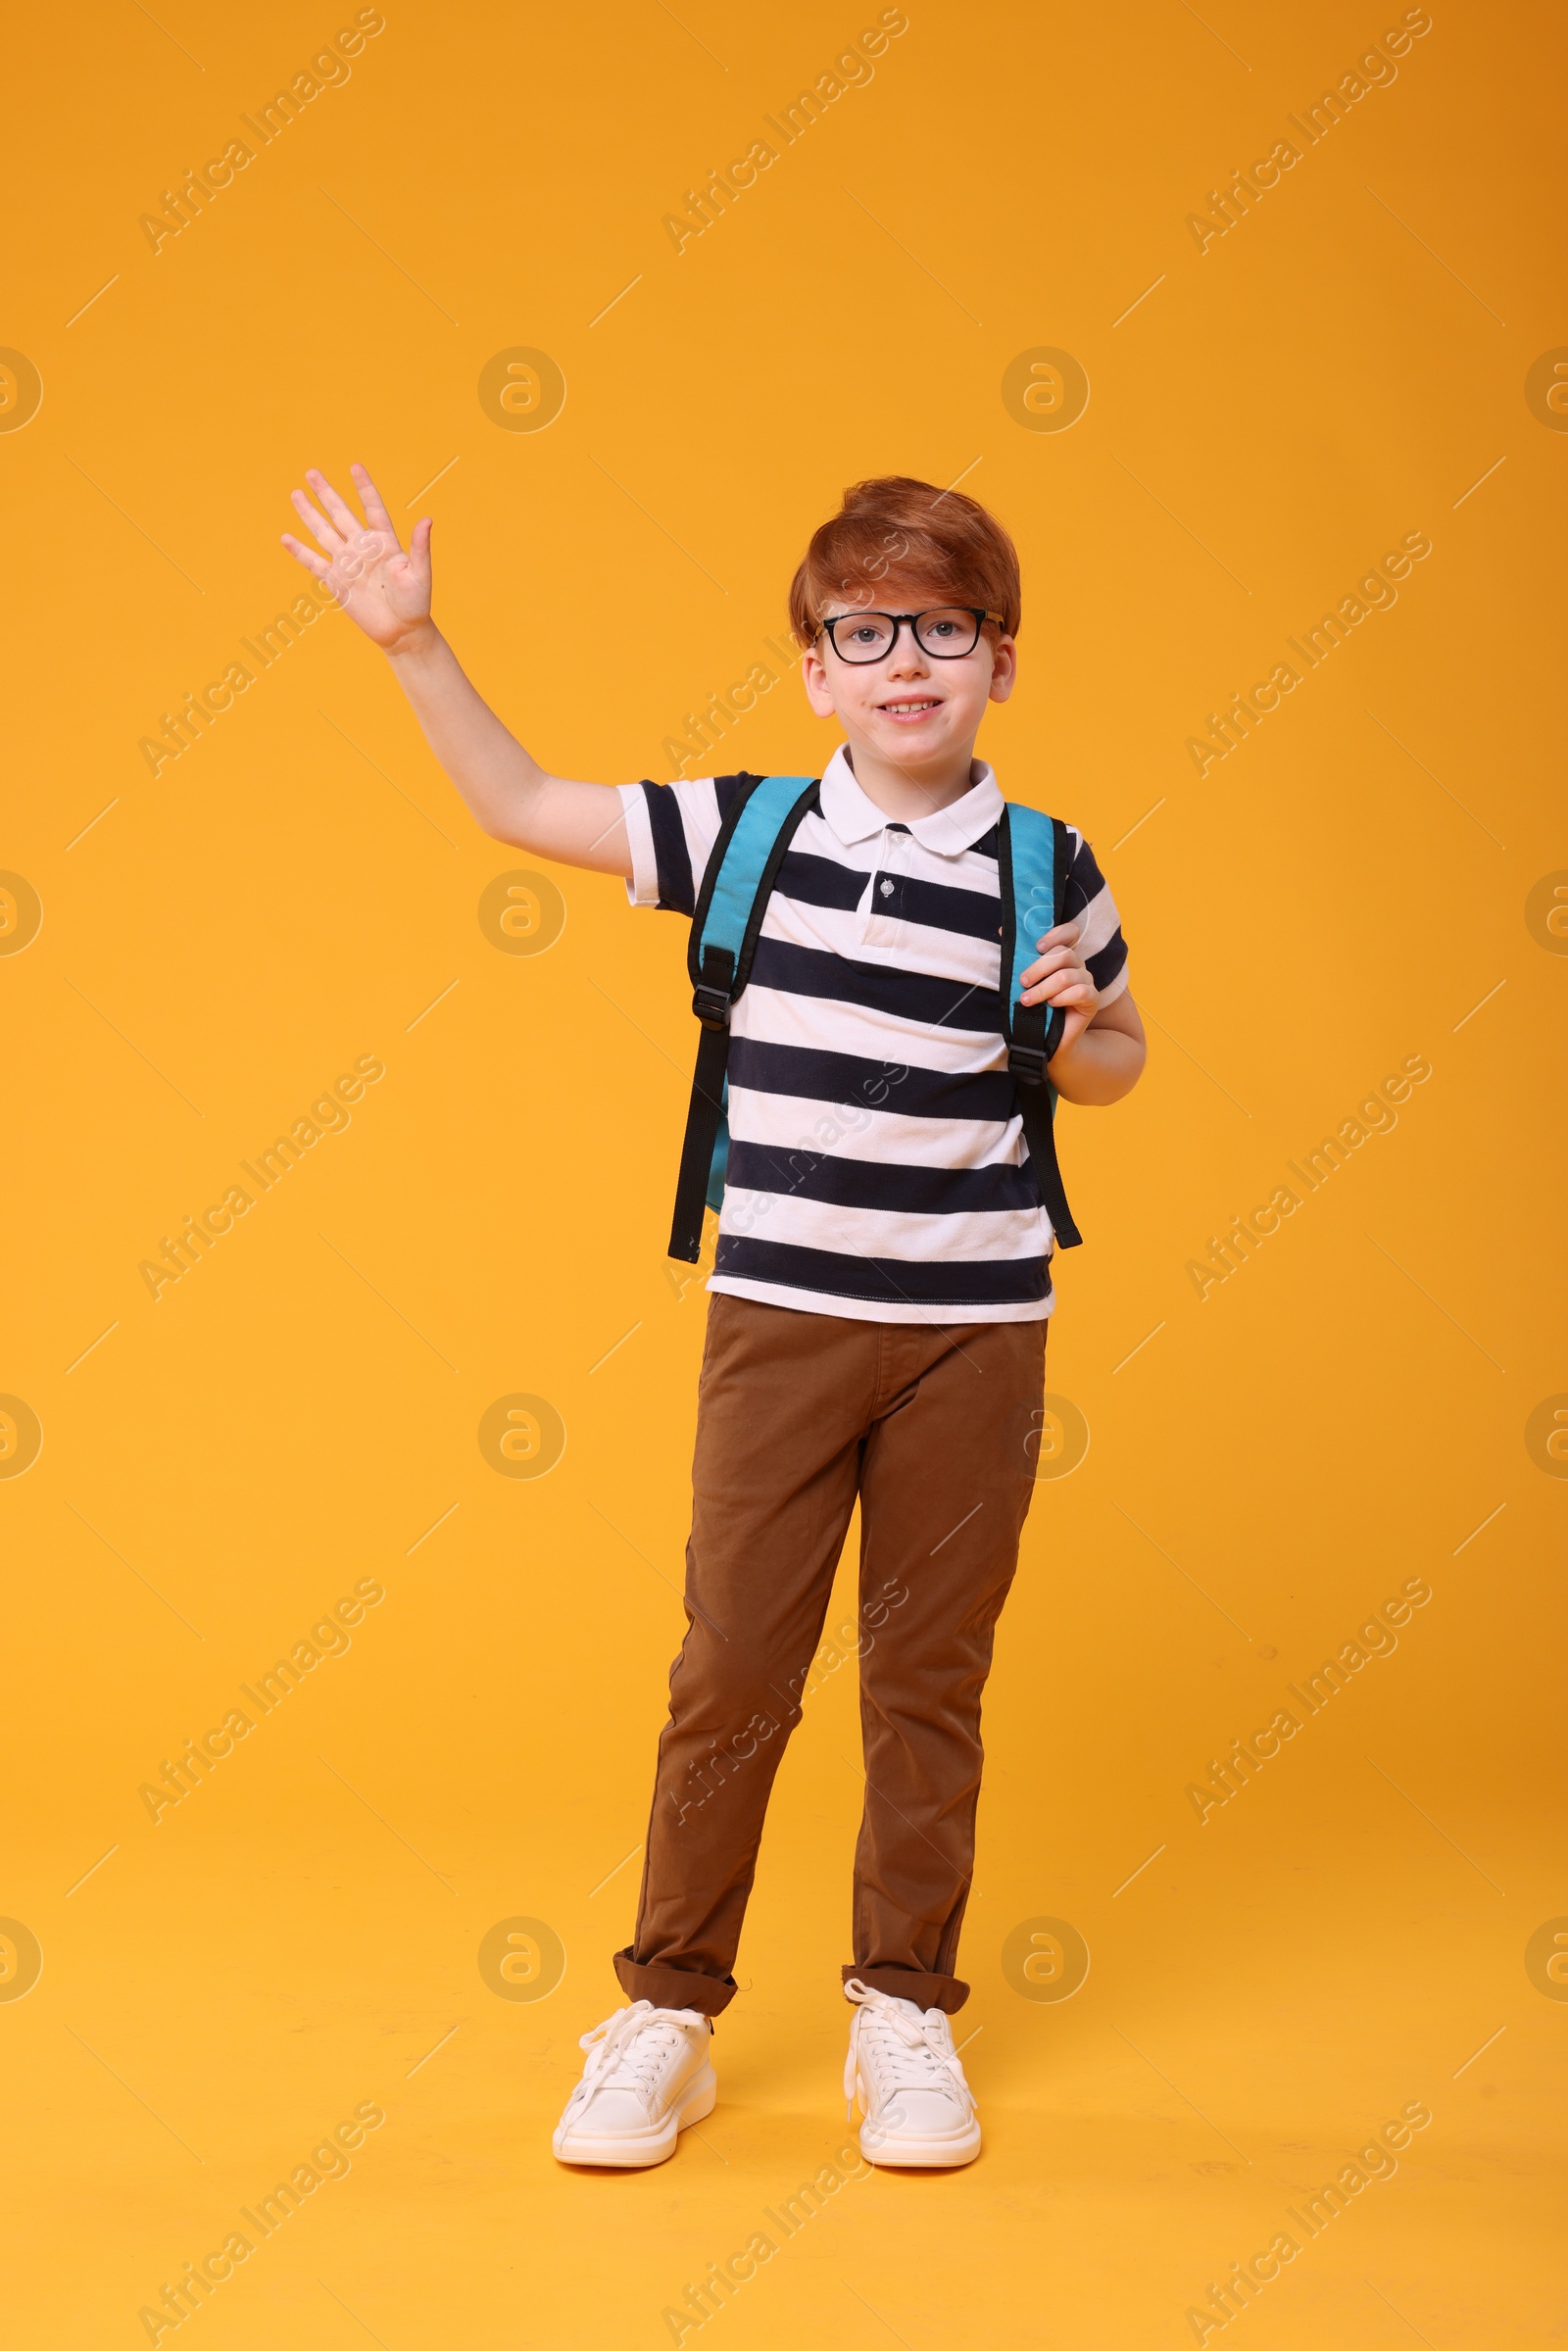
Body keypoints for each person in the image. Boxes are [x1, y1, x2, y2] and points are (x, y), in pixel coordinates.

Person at [280, 465, 1146, 2170]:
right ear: (817, 668)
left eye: (948, 629)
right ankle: (665, 2011)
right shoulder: (750, 833)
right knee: (734, 1664)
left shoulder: (1051, 865)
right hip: (783, 1325)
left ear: (1002, 661)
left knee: (927, 1674)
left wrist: (1086, 1022)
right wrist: (414, 642)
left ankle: (904, 2013)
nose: (910, 660)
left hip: (982, 1329)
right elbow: (523, 805)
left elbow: (1118, 1066)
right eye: (865, 632)